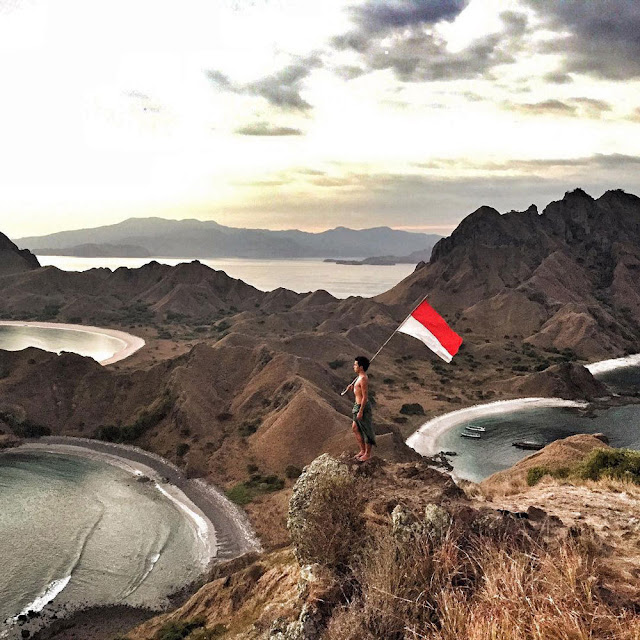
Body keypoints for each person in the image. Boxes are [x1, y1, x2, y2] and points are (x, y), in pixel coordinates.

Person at [346, 355, 376, 461]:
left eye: (355, 365)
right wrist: (352, 388)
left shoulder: (363, 379)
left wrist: (361, 411)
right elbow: (357, 393)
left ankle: (367, 454)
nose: (354, 366)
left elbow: (365, 396)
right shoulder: (358, 378)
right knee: (355, 428)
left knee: (366, 429)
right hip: (356, 406)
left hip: (362, 407)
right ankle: (362, 450)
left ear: (361, 367)